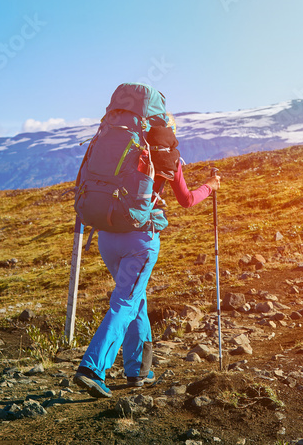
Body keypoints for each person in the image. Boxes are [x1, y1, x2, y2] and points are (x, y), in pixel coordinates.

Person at [74, 114, 221, 398]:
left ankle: (139, 371)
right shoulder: (166, 157)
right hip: (140, 240)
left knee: (134, 299)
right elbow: (187, 200)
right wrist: (210, 186)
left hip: (107, 235)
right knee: (126, 301)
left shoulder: (119, 149)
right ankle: (92, 368)